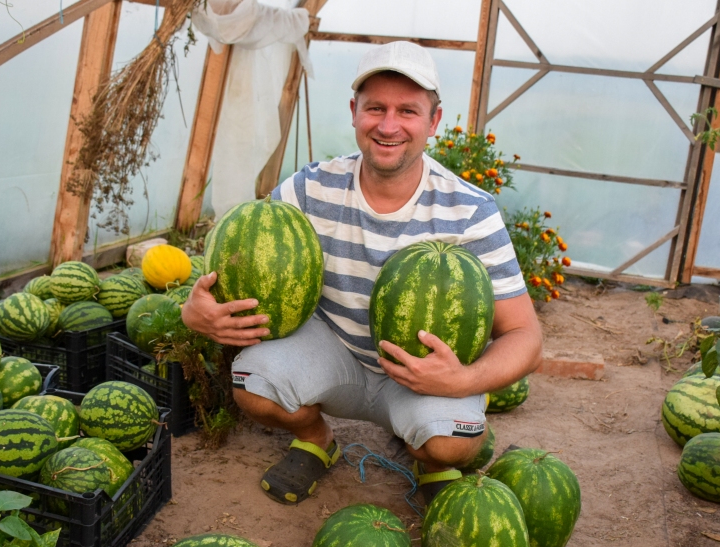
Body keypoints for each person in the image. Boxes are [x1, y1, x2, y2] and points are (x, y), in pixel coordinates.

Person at [182, 41, 542, 505]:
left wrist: (460, 382)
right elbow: (240, 249)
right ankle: (316, 439)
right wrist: (196, 309)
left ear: (433, 121)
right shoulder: (310, 188)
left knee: (454, 443)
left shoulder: (470, 211)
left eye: (407, 111)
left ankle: (430, 459)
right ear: (354, 112)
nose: (388, 126)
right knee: (252, 384)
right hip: (336, 353)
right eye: (376, 108)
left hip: (423, 374)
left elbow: (525, 337)